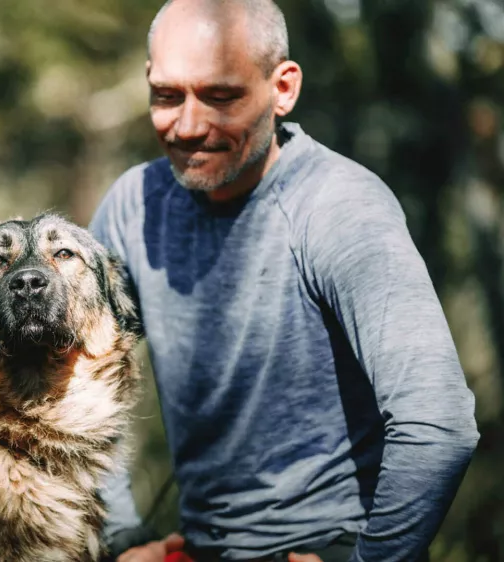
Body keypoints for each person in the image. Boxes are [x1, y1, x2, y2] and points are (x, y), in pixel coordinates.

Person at [88, 0, 481, 561]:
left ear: (283, 88)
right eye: (167, 95)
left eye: (221, 96)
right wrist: (121, 541)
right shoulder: (135, 205)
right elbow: (75, 380)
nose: (189, 125)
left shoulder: (340, 208)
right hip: (195, 547)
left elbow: (437, 424)